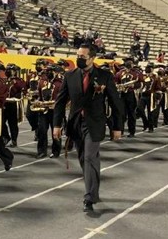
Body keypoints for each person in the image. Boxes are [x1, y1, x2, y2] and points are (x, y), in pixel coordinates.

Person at [53, 44, 123, 212]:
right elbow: (60, 102)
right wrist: (56, 125)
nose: (79, 59)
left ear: (92, 58)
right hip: (75, 124)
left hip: (95, 123)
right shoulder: (69, 76)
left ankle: (89, 197)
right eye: (77, 55)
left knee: (90, 157)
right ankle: (93, 190)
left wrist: (117, 127)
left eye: (83, 57)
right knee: (84, 158)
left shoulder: (105, 76)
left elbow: (116, 103)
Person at [2, 64, 26, 147]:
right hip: (4, 104)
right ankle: (6, 137)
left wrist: (15, 84)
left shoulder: (19, 81)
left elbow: (22, 92)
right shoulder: (3, 80)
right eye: (7, 69)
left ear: (15, 72)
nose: (7, 71)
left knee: (13, 124)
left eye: (10, 70)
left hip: (13, 105)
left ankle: (14, 139)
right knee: (1, 122)